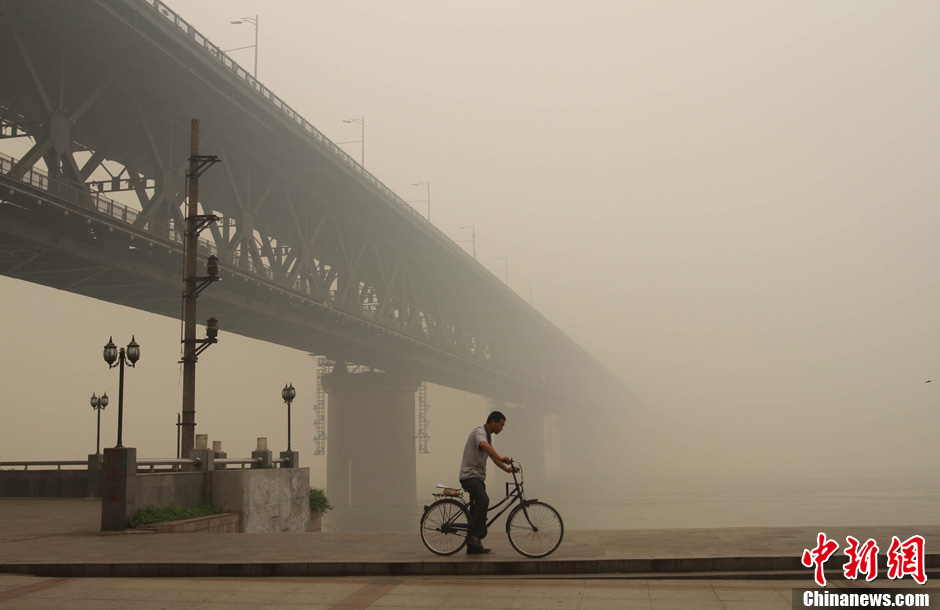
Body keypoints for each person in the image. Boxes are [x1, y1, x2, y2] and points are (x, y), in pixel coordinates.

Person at [459, 410, 514, 554]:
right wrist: (502, 457)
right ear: (492, 422)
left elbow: (493, 457)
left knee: (475, 510)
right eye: (501, 425)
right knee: (484, 500)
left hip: (477, 478)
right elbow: (484, 446)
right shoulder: (480, 433)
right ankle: (476, 537)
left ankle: (472, 546)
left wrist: (506, 469)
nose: (502, 428)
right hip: (470, 477)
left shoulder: (488, 438)